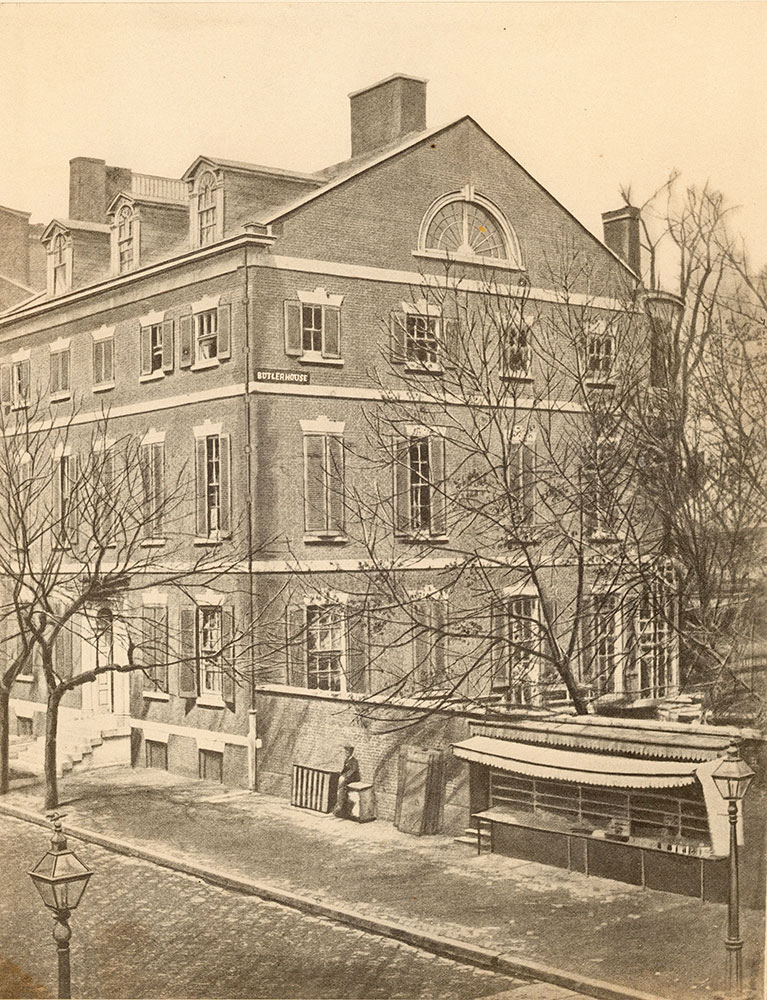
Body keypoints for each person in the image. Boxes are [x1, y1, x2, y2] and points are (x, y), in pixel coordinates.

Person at [334, 744, 360, 818]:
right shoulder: (346, 760)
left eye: (348, 752)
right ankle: (340, 807)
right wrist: (341, 773)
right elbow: (345, 770)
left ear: (351, 752)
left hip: (352, 779)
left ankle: (340, 807)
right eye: (346, 752)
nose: (346, 754)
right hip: (346, 778)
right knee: (340, 788)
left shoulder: (354, 761)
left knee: (342, 789)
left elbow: (353, 770)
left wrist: (346, 776)